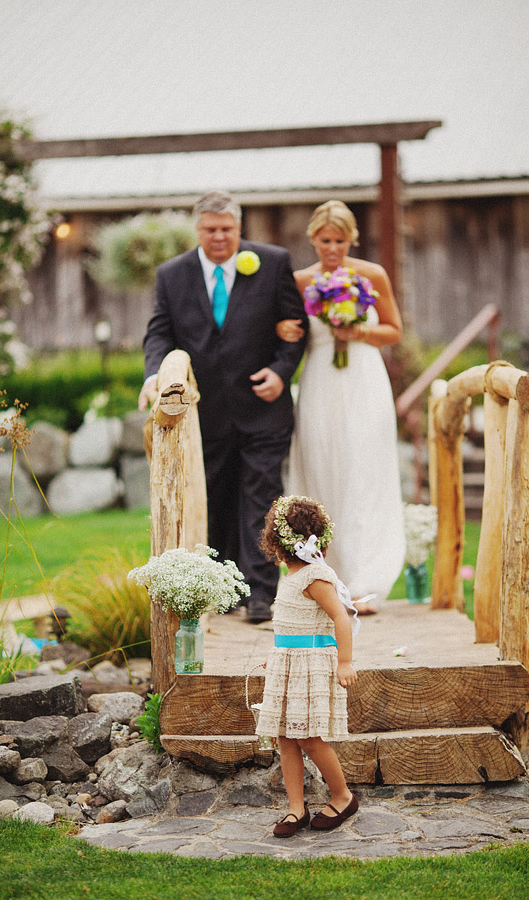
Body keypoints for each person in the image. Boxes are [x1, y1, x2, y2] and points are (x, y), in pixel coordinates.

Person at [139, 191, 308, 623]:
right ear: (198, 230)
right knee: (212, 496)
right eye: (210, 229)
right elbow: (160, 333)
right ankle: (222, 588)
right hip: (204, 411)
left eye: (227, 229)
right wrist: (155, 374)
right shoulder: (172, 275)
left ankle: (260, 595)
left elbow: (295, 328)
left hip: (262, 408)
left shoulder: (271, 263)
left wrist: (280, 372)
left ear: (239, 227)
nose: (219, 237)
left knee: (260, 494)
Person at [277, 200, 405, 614]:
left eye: (340, 240)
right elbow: (288, 330)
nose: (332, 248)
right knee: (322, 468)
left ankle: (365, 580)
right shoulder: (299, 280)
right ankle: (320, 576)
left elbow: (393, 331)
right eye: (325, 240)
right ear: (313, 238)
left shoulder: (371, 275)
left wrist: (358, 330)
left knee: (363, 473)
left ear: (353, 239)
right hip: (320, 382)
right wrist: (283, 327)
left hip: (363, 380)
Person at [256, 495, 359, 837]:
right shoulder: (291, 575)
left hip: (312, 664)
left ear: (277, 539)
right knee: (285, 737)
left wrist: (345, 662)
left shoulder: (315, 576)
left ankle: (343, 796)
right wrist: (277, 651)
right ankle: (296, 809)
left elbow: (340, 619)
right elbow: (290, 623)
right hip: (289, 662)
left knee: (310, 738)